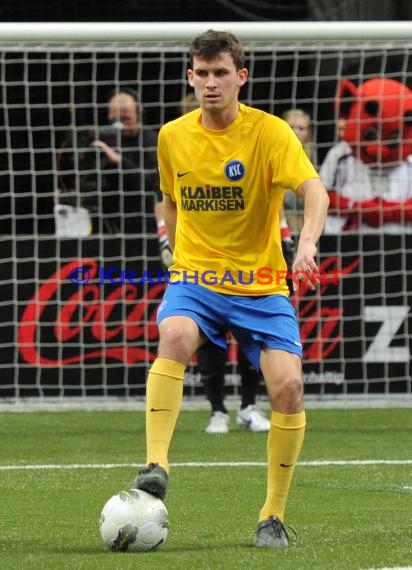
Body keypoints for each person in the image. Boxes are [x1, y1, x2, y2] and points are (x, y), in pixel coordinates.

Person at [134, 30, 329, 548]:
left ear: (241, 77)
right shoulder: (172, 135)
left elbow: (314, 190)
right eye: (202, 73)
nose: (211, 83)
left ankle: (272, 515)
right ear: (190, 78)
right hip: (196, 277)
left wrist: (306, 245)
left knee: (287, 387)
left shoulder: (269, 133)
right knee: (174, 333)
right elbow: (170, 198)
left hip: (261, 284)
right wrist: (177, 254)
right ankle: (156, 464)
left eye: (221, 72)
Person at [55, 87, 159, 235]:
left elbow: (152, 185)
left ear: (139, 115)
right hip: (107, 224)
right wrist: (68, 193)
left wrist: (118, 161)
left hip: (143, 225)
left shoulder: (152, 141)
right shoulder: (103, 138)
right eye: (114, 119)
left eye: (126, 119)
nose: (119, 125)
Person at [282, 108, 316, 233]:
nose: (295, 132)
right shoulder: (272, 157)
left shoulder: (312, 163)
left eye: (301, 128)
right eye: (291, 127)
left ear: (308, 134)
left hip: (307, 228)